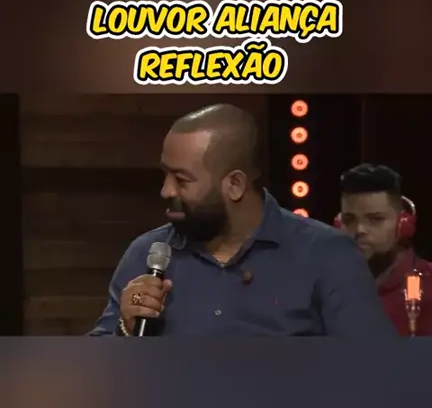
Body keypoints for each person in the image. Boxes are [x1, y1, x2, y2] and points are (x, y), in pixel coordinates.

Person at [90, 105, 395, 337]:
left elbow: (376, 372)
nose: (166, 191)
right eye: (165, 175)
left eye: (181, 180)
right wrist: (125, 328)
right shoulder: (146, 255)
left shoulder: (327, 255)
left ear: (235, 185)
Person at [335, 163, 432, 336]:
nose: (359, 229)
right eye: (349, 220)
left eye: (375, 219)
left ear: (402, 225)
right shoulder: (325, 286)